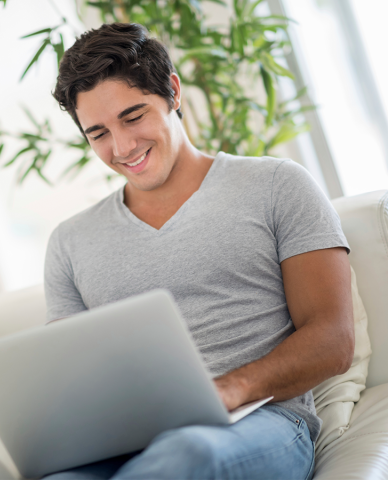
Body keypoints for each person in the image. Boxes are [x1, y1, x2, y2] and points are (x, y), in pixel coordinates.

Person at [42, 23, 354, 480]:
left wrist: (227, 389)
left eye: (133, 117)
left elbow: (333, 341)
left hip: (258, 421)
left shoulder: (276, 184)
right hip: (132, 439)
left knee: (188, 454)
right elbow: (74, 379)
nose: (123, 147)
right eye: (98, 133)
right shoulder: (69, 243)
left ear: (172, 91)